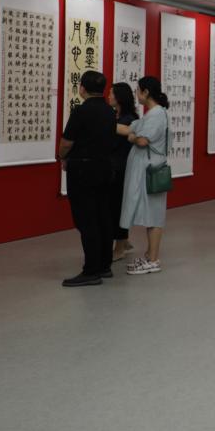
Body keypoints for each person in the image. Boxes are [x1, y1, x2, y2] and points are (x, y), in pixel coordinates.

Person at [58, 71, 117, 287]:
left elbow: (67, 142)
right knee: (103, 216)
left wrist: (62, 157)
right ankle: (104, 265)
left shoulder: (81, 111)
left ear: (82, 88)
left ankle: (91, 270)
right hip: (105, 168)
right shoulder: (110, 111)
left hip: (83, 170)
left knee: (87, 220)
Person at [119, 76, 169, 276]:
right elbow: (130, 128)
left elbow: (141, 140)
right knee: (151, 214)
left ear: (146, 92)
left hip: (151, 171)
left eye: (138, 90)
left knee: (154, 216)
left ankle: (153, 260)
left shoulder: (156, 115)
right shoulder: (154, 114)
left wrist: (132, 137)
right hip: (149, 169)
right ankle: (150, 255)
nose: (136, 94)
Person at [108, 82, 138, 262]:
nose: (109, 96)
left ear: (119, 97)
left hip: (122, 169)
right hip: (112, 167)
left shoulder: (129, 119)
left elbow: (126, 133)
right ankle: (124, 241)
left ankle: (119, 247)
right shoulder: (115, 115)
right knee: (113, 206)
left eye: (112, 93)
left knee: (118, 208)